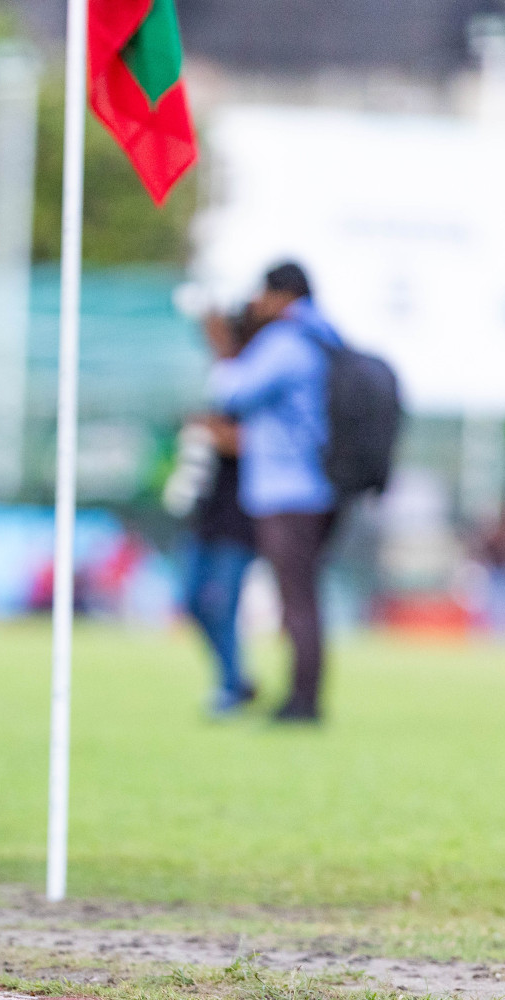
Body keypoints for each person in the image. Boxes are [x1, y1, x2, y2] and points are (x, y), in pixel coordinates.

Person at [208, 262, 338, 722]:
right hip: (318, 486)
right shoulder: (327, 337)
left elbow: (231, 391)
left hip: (289, 489)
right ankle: (303, 695)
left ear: (282, 296)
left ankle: (303, 702)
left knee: (296, 598)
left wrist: (222, 345)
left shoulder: (287, 343)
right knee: (301, 595)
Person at [167, 312, 258, 716]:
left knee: (223, 603)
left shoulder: (255, 378)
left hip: (241, 517)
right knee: (192, 600)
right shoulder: (219, 379)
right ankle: (234, 679)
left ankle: (232, 683)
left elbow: (254, 440)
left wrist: (211, 431)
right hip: (208, 512)